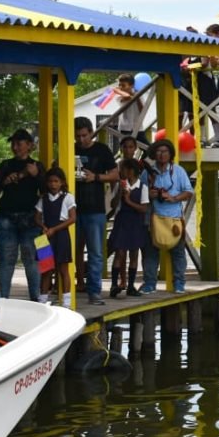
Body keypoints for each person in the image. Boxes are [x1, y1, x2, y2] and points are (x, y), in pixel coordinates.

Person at [0, 129, 45, 301]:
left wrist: (37, 175)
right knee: (7, 259)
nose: (15, 147)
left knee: (32, 260)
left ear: (29, 146)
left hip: (31, 219)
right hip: (7, 218)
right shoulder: (6, 165)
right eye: (13, 144)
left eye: (19, 144)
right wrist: (5, 180)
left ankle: (36, 299)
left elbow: (47, 190)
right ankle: (4, 298)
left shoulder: (37, 166)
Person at [73, 116, 119, 305]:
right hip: (72, 209)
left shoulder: (101, 150)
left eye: (84, 135)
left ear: (91, 132)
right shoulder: (71, 148)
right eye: (77, 136)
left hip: (95, 209)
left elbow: (116, 174)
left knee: (96, 252)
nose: (81, 140)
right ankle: (72, 287)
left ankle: (94, 291)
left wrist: (96, 177)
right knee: (70, 249)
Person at [140, 140, 193, 295]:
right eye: (159, 151)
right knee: (150, 253)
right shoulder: (147, 173)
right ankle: (149, 283)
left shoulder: (178, 171)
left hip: (174, 219)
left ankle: (179, 283)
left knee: (178, 253)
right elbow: (141, 195)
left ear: (170, 154)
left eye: (165, 151)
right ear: (154, 154)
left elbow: (189, 192)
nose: (162, 154)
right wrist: (149, 194)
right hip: (153, 218)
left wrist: (174, 198)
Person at [34, 168, 76, 308]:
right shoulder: (43, 198)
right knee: (45, 270)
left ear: (62, 182)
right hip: (45, 236)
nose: (53, 184)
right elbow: (37, 217)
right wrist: (43, 227)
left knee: (63, 269)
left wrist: (55, 229)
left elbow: (72, 218)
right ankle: (42, 301)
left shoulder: (68, 198)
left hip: (61, 235)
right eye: (50, 181)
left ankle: (66, 303)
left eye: (56, 181)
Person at [108, 158, 148, 298]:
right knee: (119, 252)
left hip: (135, 221)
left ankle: (131, 285)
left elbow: (143, 208)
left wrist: (129, 201)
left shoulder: (142, 187)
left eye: (123, 169)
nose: (121, 172)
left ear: (130, 171)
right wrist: (120, 194)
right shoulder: (121, 186)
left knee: (134, 253)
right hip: (122, 220)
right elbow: (113, 205)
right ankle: (114, 284)